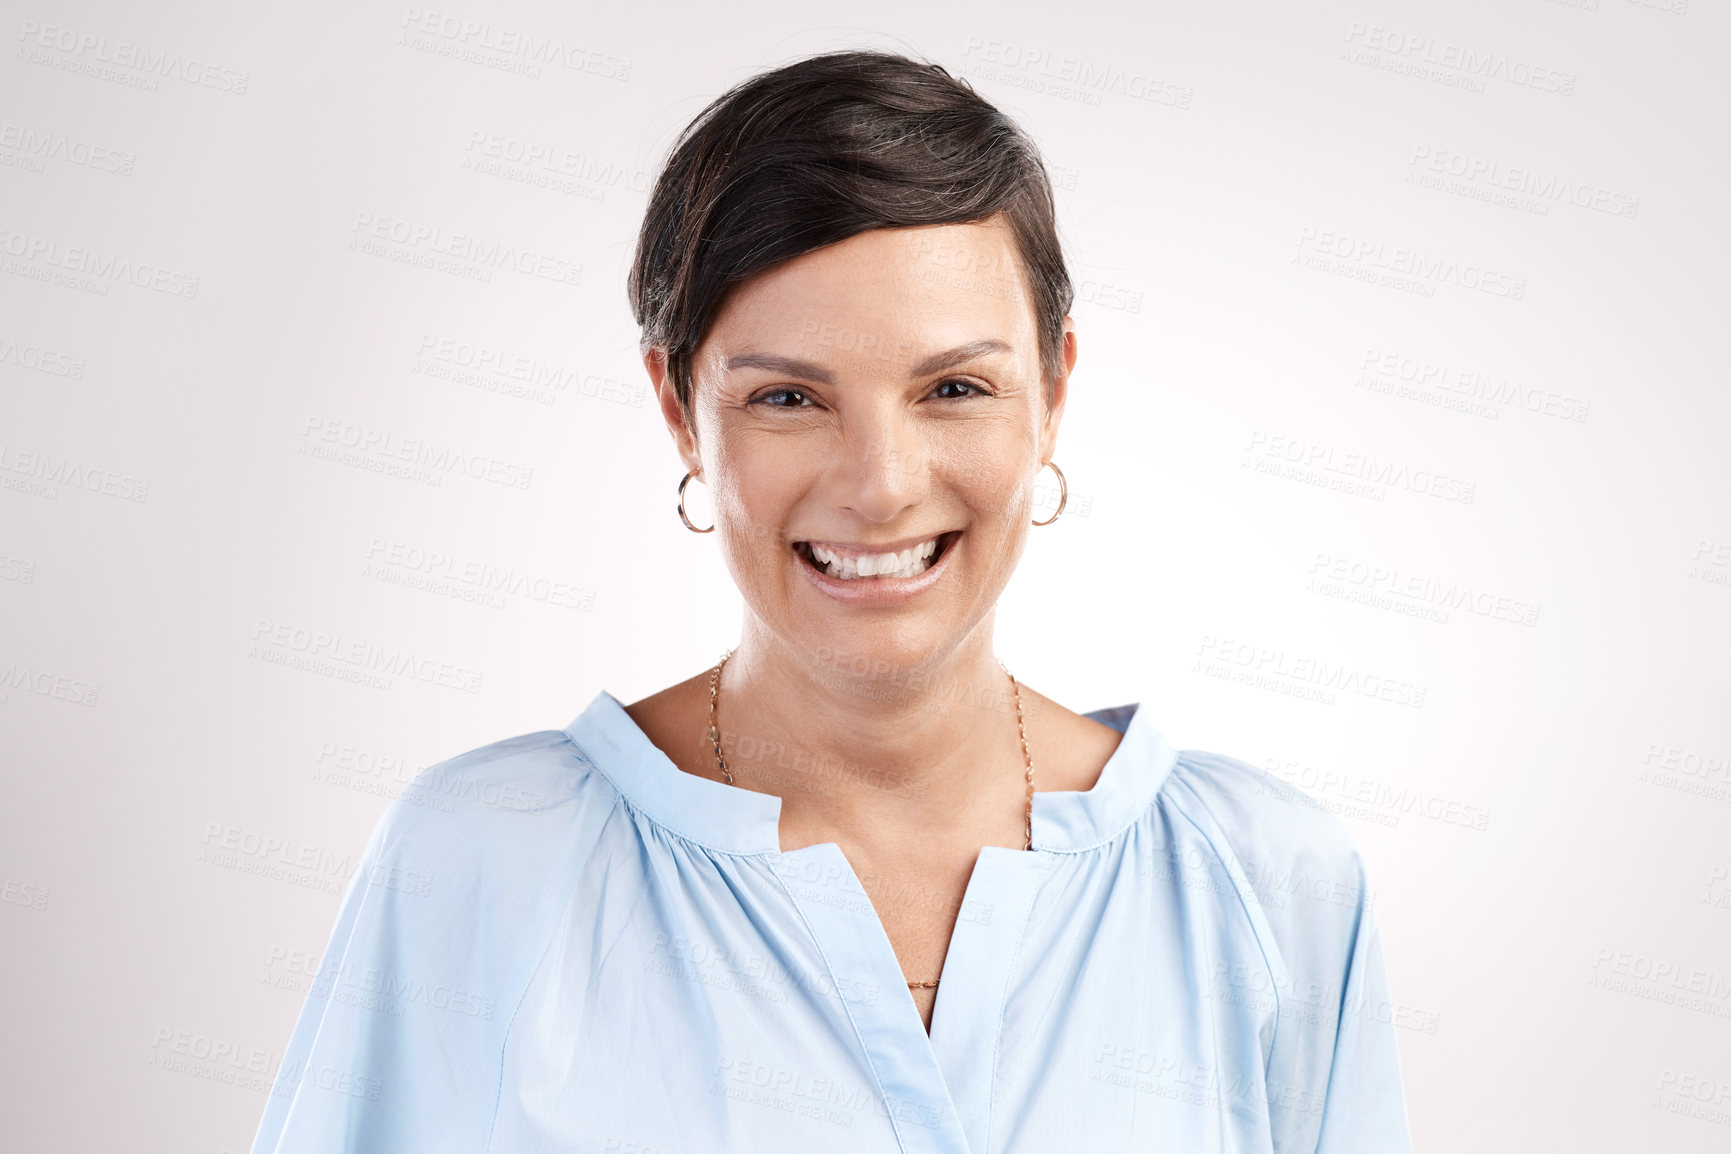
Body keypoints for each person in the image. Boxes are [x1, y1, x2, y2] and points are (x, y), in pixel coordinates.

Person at [250, 49, 1412, 1154]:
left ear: (1053, 389)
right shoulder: (485, 863)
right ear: (678, 406)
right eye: (789, 397)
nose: (881, 486)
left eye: (954, 386)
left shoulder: (1265, 881)